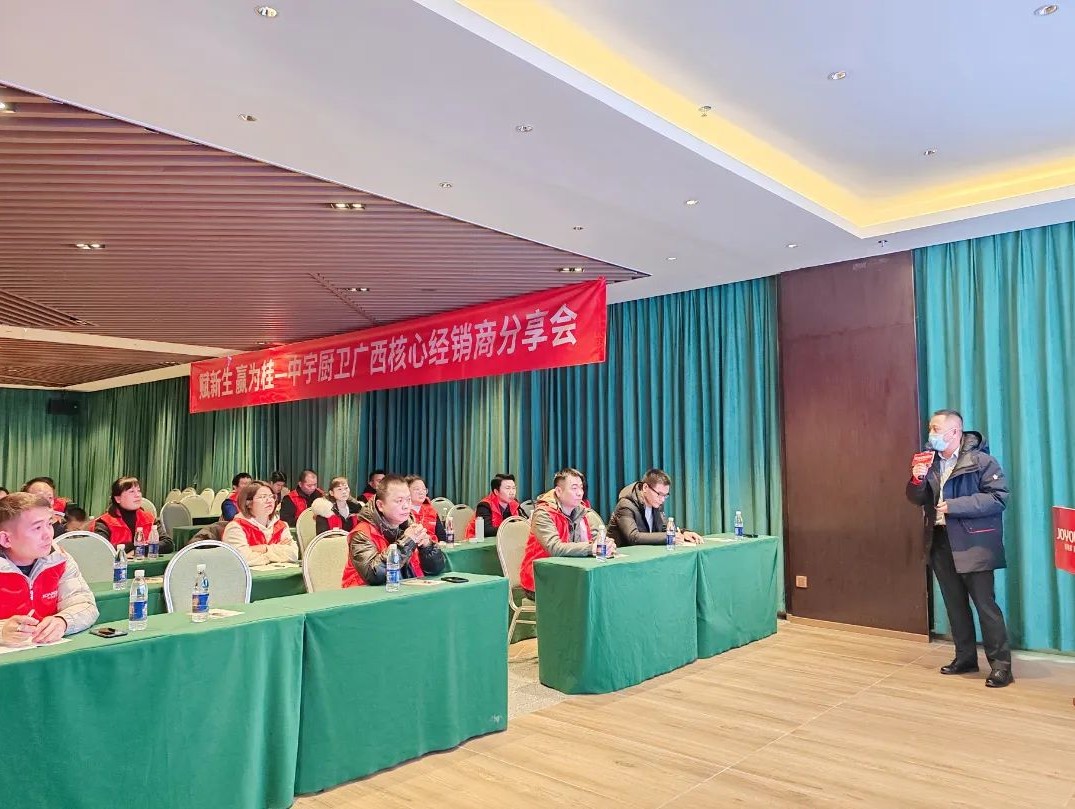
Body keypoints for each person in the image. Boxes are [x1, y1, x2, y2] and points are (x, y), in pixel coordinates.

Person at [907, 409, 1013, 688]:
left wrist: (955, 506)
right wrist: (917, 479)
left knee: (986, 606)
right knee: (954, 605)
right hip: (940, 541)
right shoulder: (929, 461)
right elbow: (916, 498)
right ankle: (965, 658)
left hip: (974, 543)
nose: (931, 434)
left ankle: (1001, 666)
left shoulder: (981, 461)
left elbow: (999, 498)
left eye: (935, 429)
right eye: (930, 428)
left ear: (954, 432)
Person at [0, 492, 99, 646]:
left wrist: (63, 621)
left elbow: (85, 605)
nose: (48, 534)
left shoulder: (59, 559)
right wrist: (2, 631)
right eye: (37, 527)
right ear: (6, 539)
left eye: (49, 524)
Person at [519, 468, 609, 597]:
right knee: (588, 595)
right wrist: (592, 548)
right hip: (541, 579)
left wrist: (607, 544)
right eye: (574, 488)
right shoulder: (543, 513)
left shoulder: (582, 512)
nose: (580, 493)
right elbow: (555, 548)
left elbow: (597, 538)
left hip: (569, 574)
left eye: (581, 488)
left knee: (604, 588)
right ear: (559, 491)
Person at [343, 474, 445, 587]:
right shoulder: (361, 534)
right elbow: (373, 575)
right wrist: (407, 541)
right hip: (365, 593)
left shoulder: (409, 525)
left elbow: (436, 569)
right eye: (399, 501)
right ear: (380, 505)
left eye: (408, 500)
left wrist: (427, 547)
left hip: (404, 589)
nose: (406, 506)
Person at [608, 468, 703, 546]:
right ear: (645, 488)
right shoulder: (625, 505)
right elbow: (633, 537)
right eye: (659, 494)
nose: (662, 499)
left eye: (665, 495)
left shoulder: (656, 504)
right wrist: (669, 537)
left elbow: (664, 528)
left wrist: (683, 533)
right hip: (620, 556)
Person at [223, 480, 298, 567]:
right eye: (262, 497)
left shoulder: (281, 526)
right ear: (248, 503)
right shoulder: (236, 527)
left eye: (271, 496)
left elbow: (293, 554)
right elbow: (241, 559)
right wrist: (277, 552)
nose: (269, 501)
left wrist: (264, 548)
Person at [90, 476, 174, 554]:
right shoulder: (104, 522)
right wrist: (131, 547)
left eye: (138, 491)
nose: (137, 495)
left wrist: (139, 550)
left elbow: (168, 543)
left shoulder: (148, 518)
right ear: (118, 499)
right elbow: (102, 550)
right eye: (131, 491)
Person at [465, 473, 521, 539]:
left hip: (504, 539)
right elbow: (486, 531)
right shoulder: (484, 505)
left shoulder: (514, 503)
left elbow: (523, 521)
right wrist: (512, 528)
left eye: (514, 488)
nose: (512, 492)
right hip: (480, 542)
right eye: (507, 488)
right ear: (496, 492)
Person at [406, 475, 447, 542]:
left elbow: (442, 537)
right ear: (407, 491)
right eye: (417, 489)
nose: (421, 492)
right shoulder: (403, 512)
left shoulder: (431, 511)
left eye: (424, 489)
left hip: (433, 546)